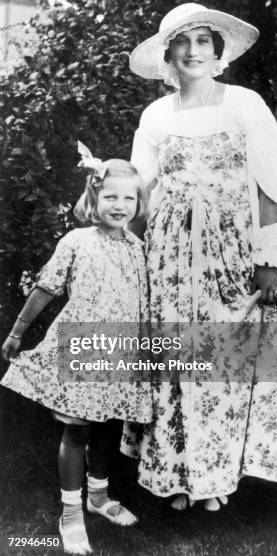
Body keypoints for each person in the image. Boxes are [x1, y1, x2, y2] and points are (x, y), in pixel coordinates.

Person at [122, 2, 277, 511]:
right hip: (169, 254)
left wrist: (269, 256)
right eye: (183, 42)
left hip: (230, 252)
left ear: (217, 50)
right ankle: (179, 476)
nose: (194, 51)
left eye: (203, 40)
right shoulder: (155, 115)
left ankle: (217, 479)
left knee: (225, 356)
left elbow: (276, 186)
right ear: (169, 55)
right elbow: (138, 188)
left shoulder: (244, 104)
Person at [1, 152, 152, 554]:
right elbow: (46, 286)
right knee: (77, 427)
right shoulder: (77, 241)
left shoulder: (139, 249)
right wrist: (18, 332)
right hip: (81, 347)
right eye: (110, 198)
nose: (119, 206)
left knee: (106, 425)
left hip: (119, 351)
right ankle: (70, 513)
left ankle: (98, 497)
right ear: (93, 197)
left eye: (128, 200)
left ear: (138, 205)